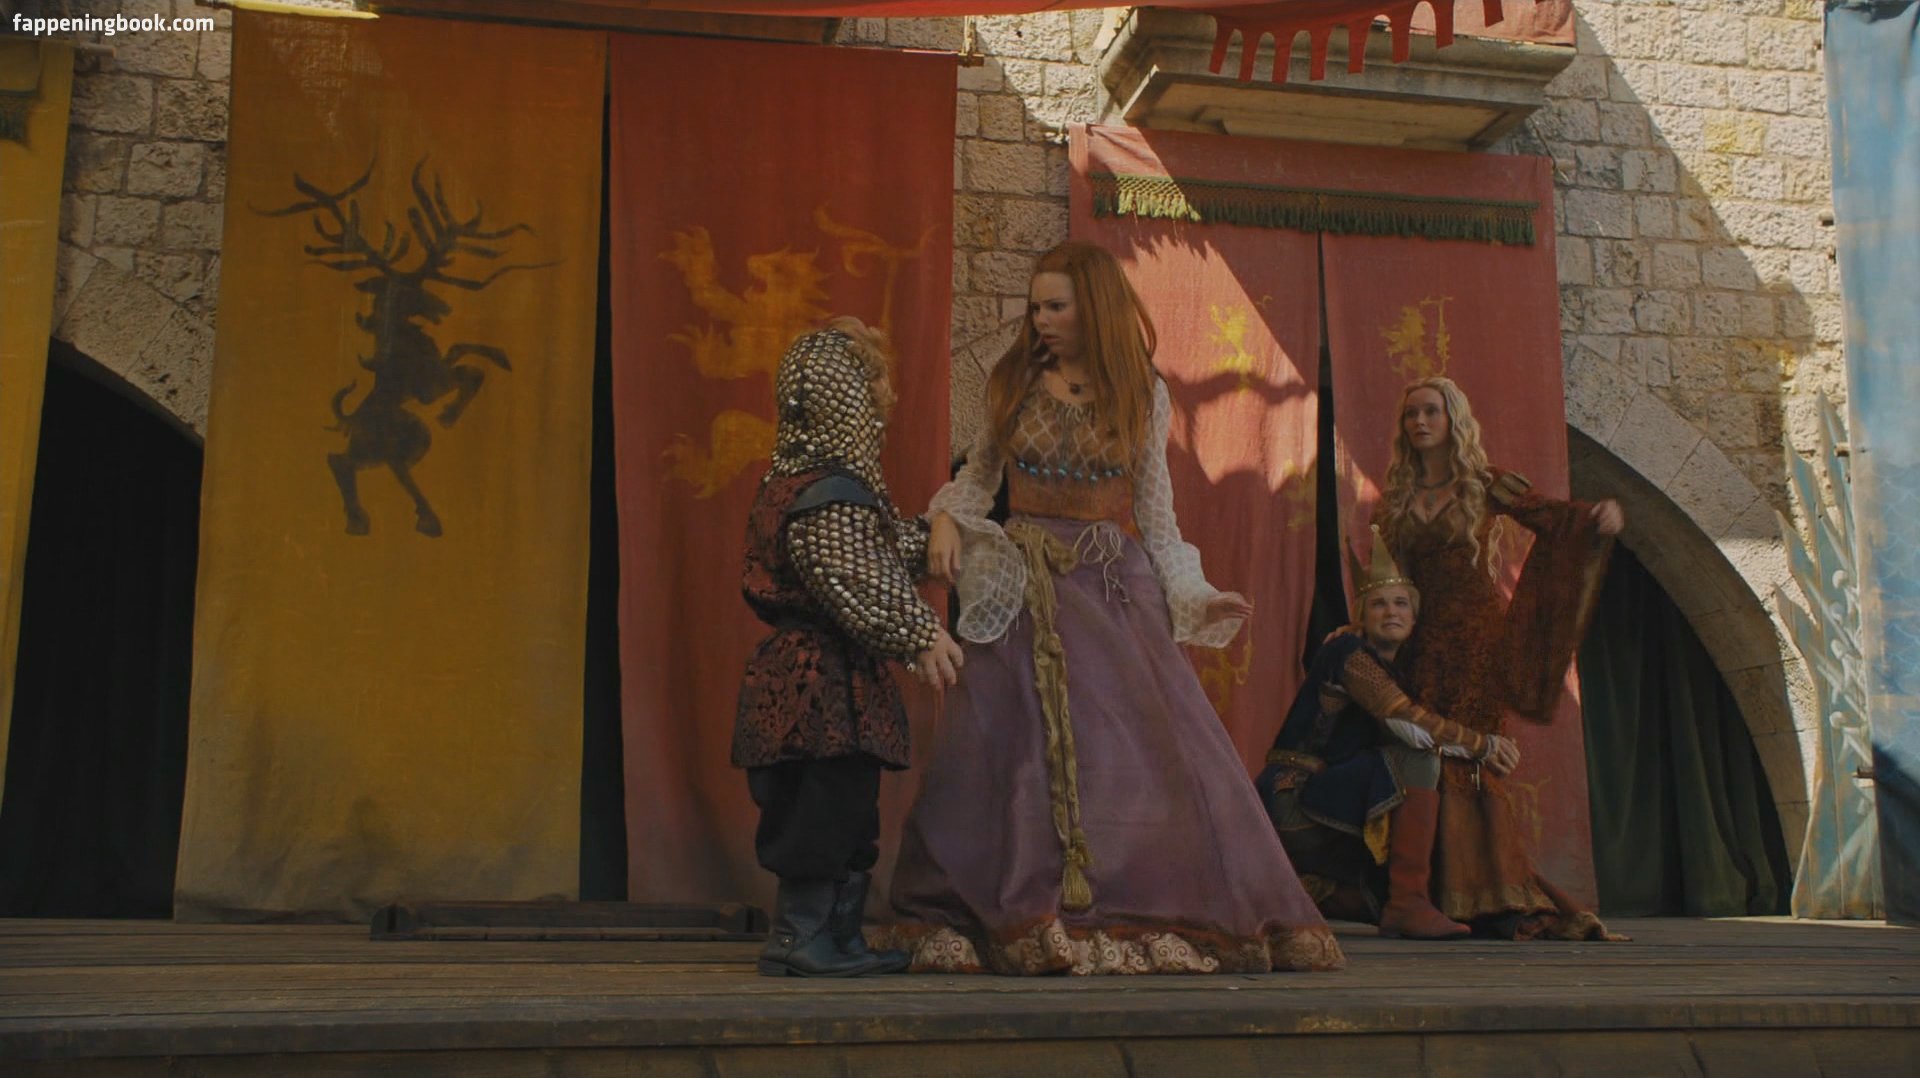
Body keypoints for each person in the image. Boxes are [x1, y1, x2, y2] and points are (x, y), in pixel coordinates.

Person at [873, 242, 1344, 975]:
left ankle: (1122, 908)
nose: (1041, 319)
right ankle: (1022, 911)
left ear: (1093, 306)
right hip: (1022, 588)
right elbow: (977, 481)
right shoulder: (1012, 381)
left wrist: (1194, 591)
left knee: (1126, 759)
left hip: (1109, 589)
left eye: (1056, 306)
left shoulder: (1141, 392)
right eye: (1036, 307)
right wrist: (943, 518)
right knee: (1012, 757)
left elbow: (1157, 515)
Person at [732, 318, 966, 977]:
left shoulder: (804, 485)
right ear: (851, 397)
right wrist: (920, 631)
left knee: (845, 808)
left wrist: (943, 525)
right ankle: (803, 939)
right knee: (822, 809)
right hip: (820, 687)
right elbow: (854, 572)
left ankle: (832, 939)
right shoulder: (825, 494)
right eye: (871, 385)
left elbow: (879, 549)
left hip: (819, 681)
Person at [1372, 375, 1624, 940]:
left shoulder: (1484, 484)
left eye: (1431, 412)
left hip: (1477, 642)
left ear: (1452, 419)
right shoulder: (1396, 498)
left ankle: (1495, 896)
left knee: (1473, 760)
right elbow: (1388, 578)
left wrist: (1594, 518)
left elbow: (1553, 518)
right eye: (1412, 414)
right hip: (1421, 644)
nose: (1420, 422)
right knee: (1427, 750)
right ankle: (1431, 895)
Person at [1256, 526, 1514, 939]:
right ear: (1362, 614)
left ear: (1414, 617)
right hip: (1295, 800)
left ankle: (1304, 893)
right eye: (1378, 604)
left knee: (1380, 898)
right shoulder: (1347, 651)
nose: (1390, 611)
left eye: (1400, 603)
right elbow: (1407, 723)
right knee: (1419, 757)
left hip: (1333, 803)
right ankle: (1408, 904)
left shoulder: (1398, 671)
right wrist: (1482, 745)